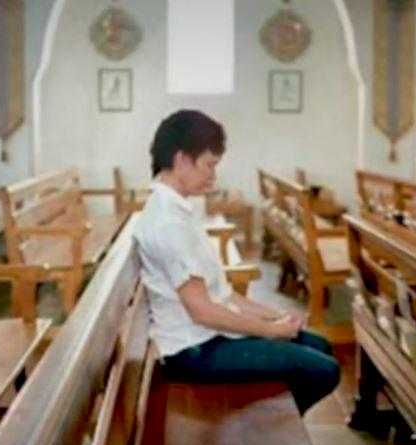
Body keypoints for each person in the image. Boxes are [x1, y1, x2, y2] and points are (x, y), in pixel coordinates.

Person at [133, 109, 340, 414]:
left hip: (208, 337)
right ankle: (266, 426)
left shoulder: (178, 211)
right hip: (193, 351)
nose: (213, 176)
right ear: (181, 160)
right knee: (324, 370)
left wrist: (274, 316)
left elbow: (223, 295)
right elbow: (202, 310)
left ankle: (270, 421)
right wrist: (270, 331)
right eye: (209, 165)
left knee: (319, 346)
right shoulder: (167, 223)